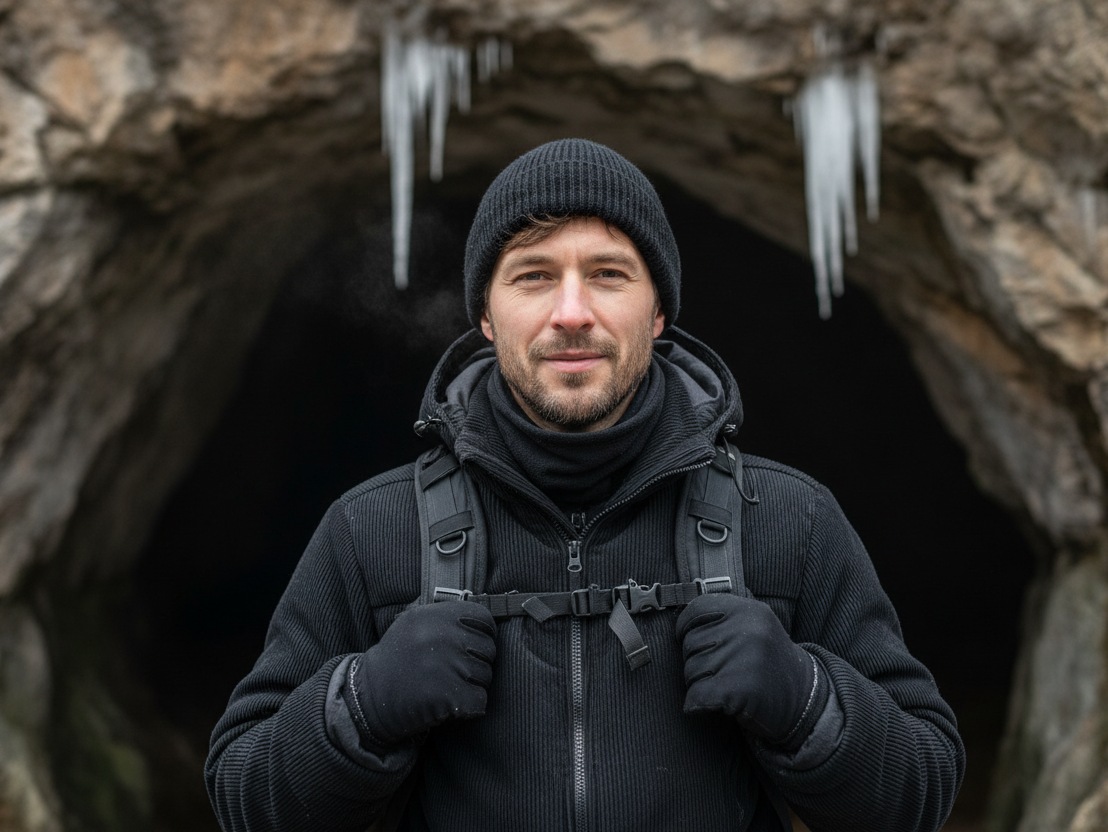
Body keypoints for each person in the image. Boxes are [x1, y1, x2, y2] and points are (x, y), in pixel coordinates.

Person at [204, 138, 965, 832]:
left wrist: (807, 701)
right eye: (534, 277)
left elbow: (923, 791)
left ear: (658, 309)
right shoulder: (370, 532)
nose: (572, 314)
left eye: (608, 275)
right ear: (486, 316)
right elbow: (242, 794)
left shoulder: (789, 521)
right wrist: (360, 707)